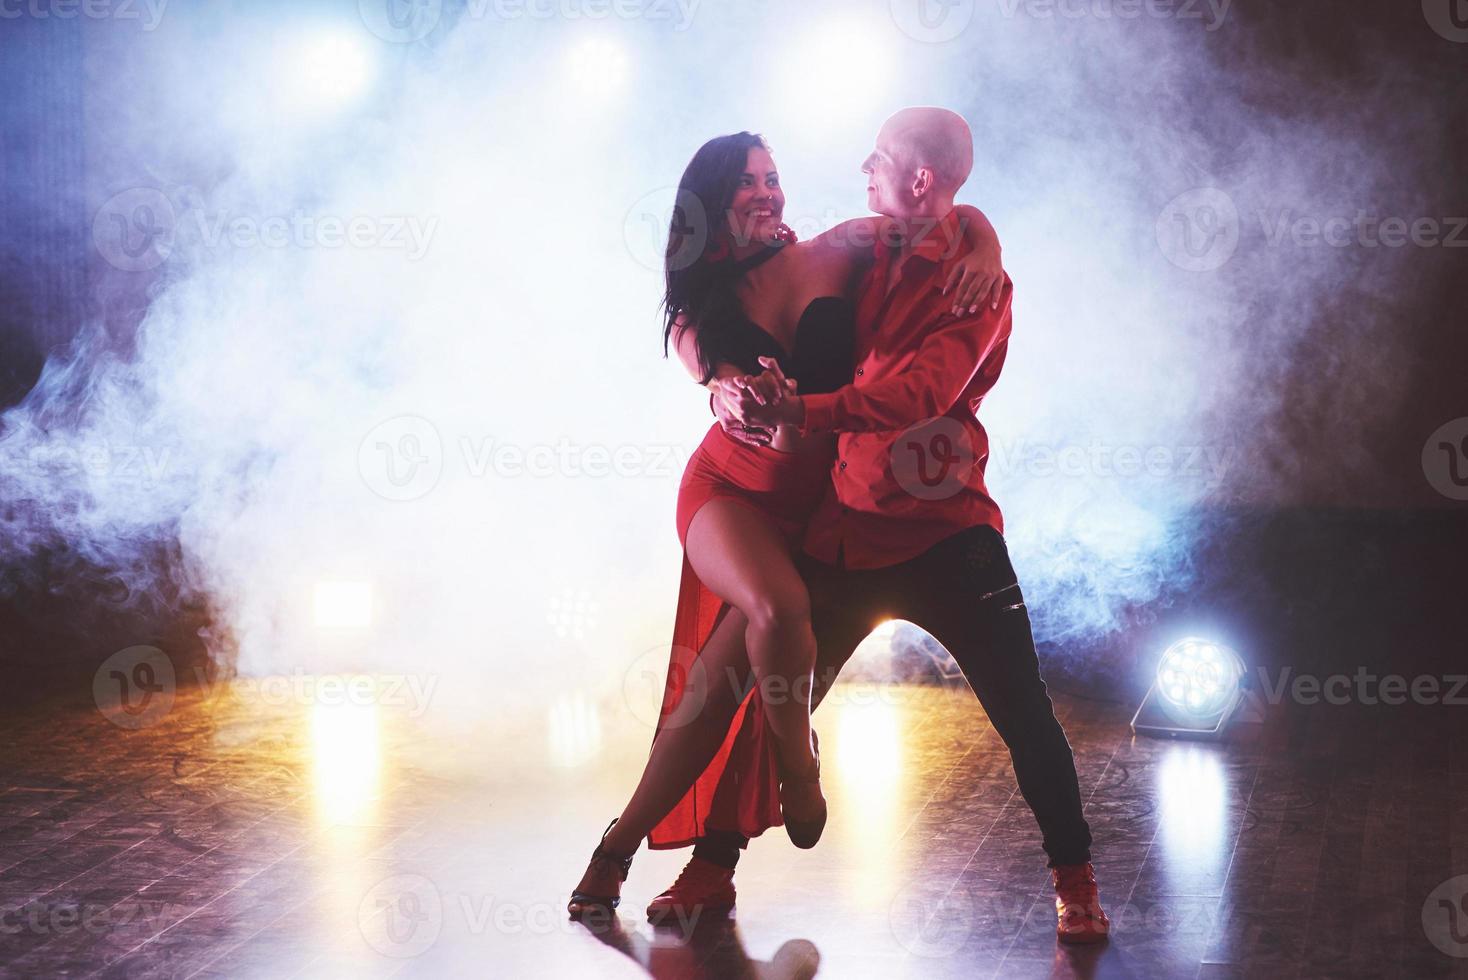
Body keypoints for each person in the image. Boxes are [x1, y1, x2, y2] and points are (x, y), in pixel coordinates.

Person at [695, 106, 1112, 945]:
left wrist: (803, 409)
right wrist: (711, 370)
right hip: (849, 522)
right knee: (775, 697)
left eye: (880, 158)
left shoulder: (979, 284)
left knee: (1023, 713)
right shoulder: (866, 241)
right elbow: (779, 266)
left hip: (949, 537)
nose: (862, 167)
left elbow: (918, 397)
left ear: (920, 179)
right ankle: (711, 864)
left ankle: (1078, 882)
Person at [566, 130, 1005, 920]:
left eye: (772, 178)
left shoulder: (838, 251)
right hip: (728, 496)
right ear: (712, 208)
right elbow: (715, 377)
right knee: (777, 608)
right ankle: (799, 768)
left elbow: (937, 213)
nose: (768, 193)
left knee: (710, 698)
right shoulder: (698, 313)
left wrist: (984, 237)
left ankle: (617, 847)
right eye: (747, 185)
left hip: (813, 507)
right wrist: (729, 397)